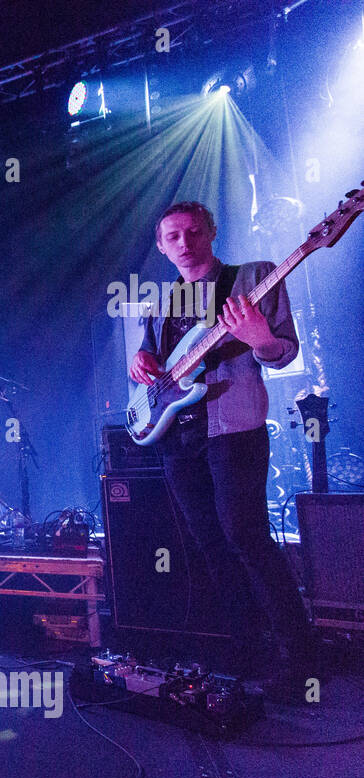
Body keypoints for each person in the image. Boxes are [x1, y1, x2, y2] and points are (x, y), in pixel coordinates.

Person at [129, 200, 315, 697]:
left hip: (234, 427)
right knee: (211, 545)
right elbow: (153, 365)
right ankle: (246, 652)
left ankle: (300, 656)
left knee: (246, 538)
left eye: (193, 232)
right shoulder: (161, 303)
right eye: (172, 236)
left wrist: (260, 339)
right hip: (177, 435)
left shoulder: (252, 277)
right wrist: (141, 361)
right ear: (162, 246)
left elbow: (282, 353)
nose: (184, 243)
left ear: (212, 231)